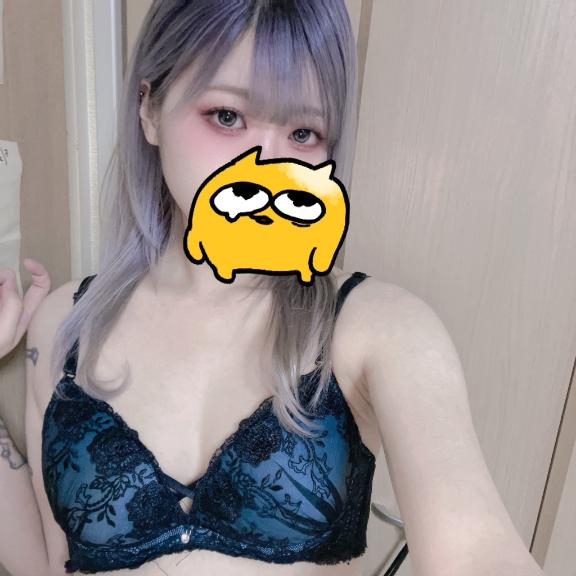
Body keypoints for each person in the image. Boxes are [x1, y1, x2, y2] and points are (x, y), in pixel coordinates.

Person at [0, 1, 546, 575]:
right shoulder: (65, 323)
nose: (266, 168)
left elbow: (476, 550)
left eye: (303, 132)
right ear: (150, 109)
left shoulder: (376, 329)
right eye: (227, 117)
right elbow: (49, 563)